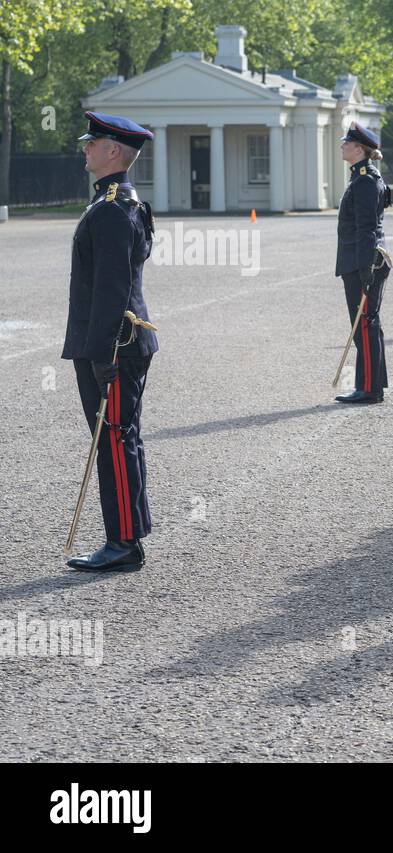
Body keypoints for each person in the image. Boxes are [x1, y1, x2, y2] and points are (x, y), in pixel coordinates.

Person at [63, 111, 158, 572]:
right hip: (112, 344)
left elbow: (113, 290)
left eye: (92, 143)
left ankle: (122, 543)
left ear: (114, 151)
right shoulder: (115, 204)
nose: (85, 149)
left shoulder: (115, 208)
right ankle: (128, 534)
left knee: (115, 440)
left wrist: (103, 353)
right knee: (121, 439)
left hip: (113, 347)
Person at [335, 122, 392, 404]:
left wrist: (366, 266)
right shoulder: (362, 177)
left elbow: (367, 228)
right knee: (369, 323)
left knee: (364, 324)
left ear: (359, 149)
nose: (343, 145)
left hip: (363, 261)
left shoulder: (367, 180)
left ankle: (369, 389)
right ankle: (374, 382)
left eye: (347, 142)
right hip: (361, 259)